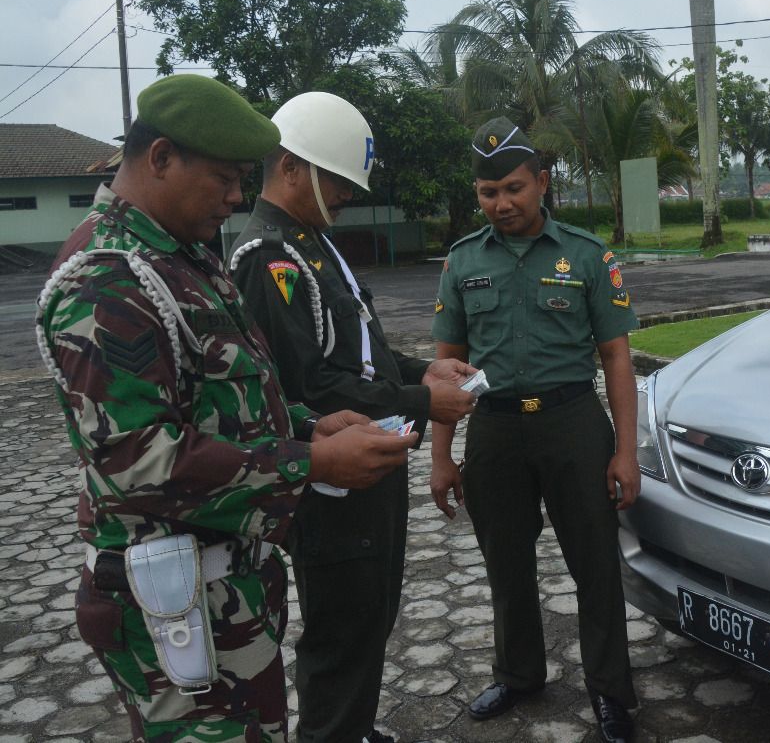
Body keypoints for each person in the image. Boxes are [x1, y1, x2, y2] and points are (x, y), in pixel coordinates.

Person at [35, 74, 417, 742]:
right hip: (171, 611)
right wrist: (311, 461)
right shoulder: (109, 277)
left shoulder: (182, 258)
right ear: (160, 159)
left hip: (224, 596)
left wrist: (307, 423)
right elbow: (138, 461)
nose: (240, 195)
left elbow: (224, 399)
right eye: (225, 177)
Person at [228, 91, 476, 743]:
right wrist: (426, 403)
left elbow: (358, 352)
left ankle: (353, 729)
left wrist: (421, 368)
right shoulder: (270, 259)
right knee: (342, 630)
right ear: (291, 166)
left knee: (370, 615)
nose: (345, 195)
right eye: (336, 179)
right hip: (331, 477)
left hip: (369, 463)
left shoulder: (311, 245)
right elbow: (312, 385)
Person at [429, 117, 641, 743]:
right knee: (506, 561)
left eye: (515, 188)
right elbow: (445, 368)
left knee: (595, 564)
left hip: (573, 425)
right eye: (489, 192)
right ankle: (519, 673)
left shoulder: (586, 254)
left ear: (542, 183)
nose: (503, 203)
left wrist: (626, 452)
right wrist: (442, 458)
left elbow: (617, 358)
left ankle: (611, 693)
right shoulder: (463, 260)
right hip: (493, 430)